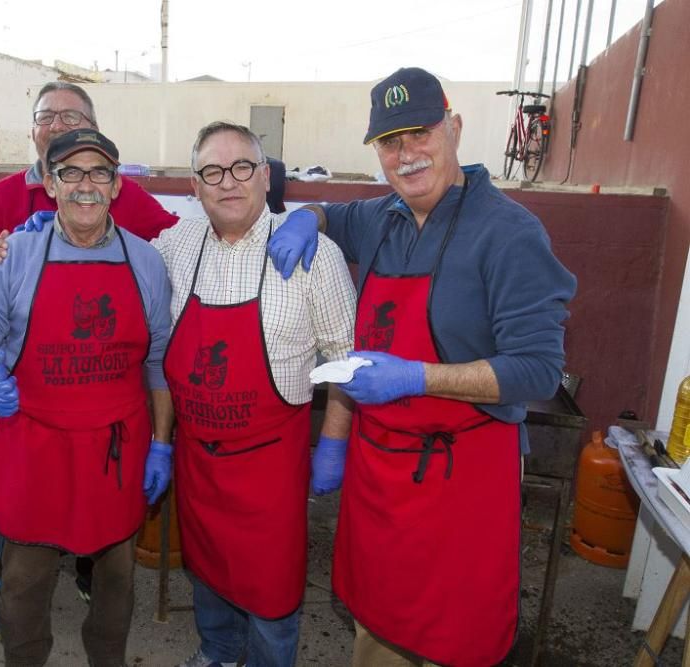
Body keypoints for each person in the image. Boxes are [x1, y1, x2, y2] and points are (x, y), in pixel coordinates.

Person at [267, 67, 577, 667]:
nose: (406, 155)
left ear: (454, 128)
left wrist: (418, 377)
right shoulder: (382, 216)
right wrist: (308, 217)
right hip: (379, 474)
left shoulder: (509, 234)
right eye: (389, 141)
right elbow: (335, 214)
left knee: (451, 639)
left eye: (420, 134)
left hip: (460, 482)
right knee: (376, 632)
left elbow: (539, 370)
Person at [0, 128, 174, 667]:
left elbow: (158, 363)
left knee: (116, 577)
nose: (85, 185)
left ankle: (108, 659)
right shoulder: (15, 254)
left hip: (115, 450)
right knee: (24, 581)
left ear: (117, 185)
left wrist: (162, 443)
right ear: (50, 185)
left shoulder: (145, 262)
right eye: (70, 173)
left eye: (99, 172)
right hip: (35, 446)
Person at [157, 123, 356, 667]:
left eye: (242, 167)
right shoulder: (174, 246)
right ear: (194, 187)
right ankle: (218, 653)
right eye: (212, 172)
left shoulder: (317, 255)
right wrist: (56, 232)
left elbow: (346, 361)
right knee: (206, 573)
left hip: (270, 471)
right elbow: (120, 265)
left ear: (265, 177)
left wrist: (333, 443)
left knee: (271, 598)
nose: (228, 183)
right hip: (198, 464)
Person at [0, 81, 177, 295]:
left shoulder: (123, 192)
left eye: (70, 116)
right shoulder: (1, 195)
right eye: (45, 117)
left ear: (94, 129)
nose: (56, 126)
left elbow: (181, 244)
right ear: (32, 132)